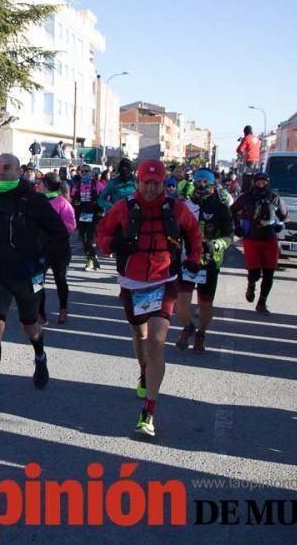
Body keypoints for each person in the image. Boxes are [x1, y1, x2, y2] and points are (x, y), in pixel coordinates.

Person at [96, 159, 202, 438]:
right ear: (139, 182)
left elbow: (194, 233)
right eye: (147, 182)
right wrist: (112, 245)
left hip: (164, 281)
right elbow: (103, 233)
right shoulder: (124, 207)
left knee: (156, 342)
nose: (152, 188)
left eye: (156, 183)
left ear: (163, 183)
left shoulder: (176, 208)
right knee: (139, 337)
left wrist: (193, 258)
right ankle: (144, 370)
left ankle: (148, 411)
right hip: (132, 283)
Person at [0, 153, 70, 413]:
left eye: (7, 168)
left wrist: (44, 258)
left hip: (29, 275)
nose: (1, 172)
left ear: (19, 171)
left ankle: (40, 354)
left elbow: (58, 232)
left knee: (30, 325)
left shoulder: (34, 200)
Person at [174, 169, 234, 354]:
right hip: (187, 260)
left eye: (205, 182)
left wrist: (216, 244)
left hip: (210, 262)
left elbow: (229, 235)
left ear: (212, 185)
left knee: (205, 305)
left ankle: (201, 333)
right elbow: (175, 231)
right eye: (198, 181)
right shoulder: (184, 206)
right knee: (181, 302)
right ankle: (187, 327)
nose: (201, 185)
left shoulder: (221, 207)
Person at [230, 172, 287, 315]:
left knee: (269, 273)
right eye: (259, 182)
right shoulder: (245, 198)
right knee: (254, 272)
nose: (261, 185)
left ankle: (262, 302)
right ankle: (251, 284)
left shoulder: (274, 197)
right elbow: (232, 211)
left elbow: (284, 215)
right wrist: (237, 226)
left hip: (269, 239)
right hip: (251, 238)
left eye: (264, 182)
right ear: (254, 182)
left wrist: (280, 224)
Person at [36, 171, 75, 324]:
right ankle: (40, 313)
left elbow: (70, 226)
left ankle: (63, 309)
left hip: (59, 250)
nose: (38, 185)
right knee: (37, 281)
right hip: (39, 249)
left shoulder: (63, 203)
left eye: (41, 183)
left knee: (60, 280)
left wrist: (49, 229)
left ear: (46, 186)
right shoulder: (37, 201)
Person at [71, 163, 105, 271]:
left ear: (90, 172)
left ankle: (90, 260)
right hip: (82, 214)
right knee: (84, 237)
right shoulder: (77, 185)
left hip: (94, 214)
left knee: (89, 237)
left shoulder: (97, 184)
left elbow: (105, 196)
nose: (85, 173)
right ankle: (92, 257)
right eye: (82, 171)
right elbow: (72, 198)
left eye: (87, 171)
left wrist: (101, 208)